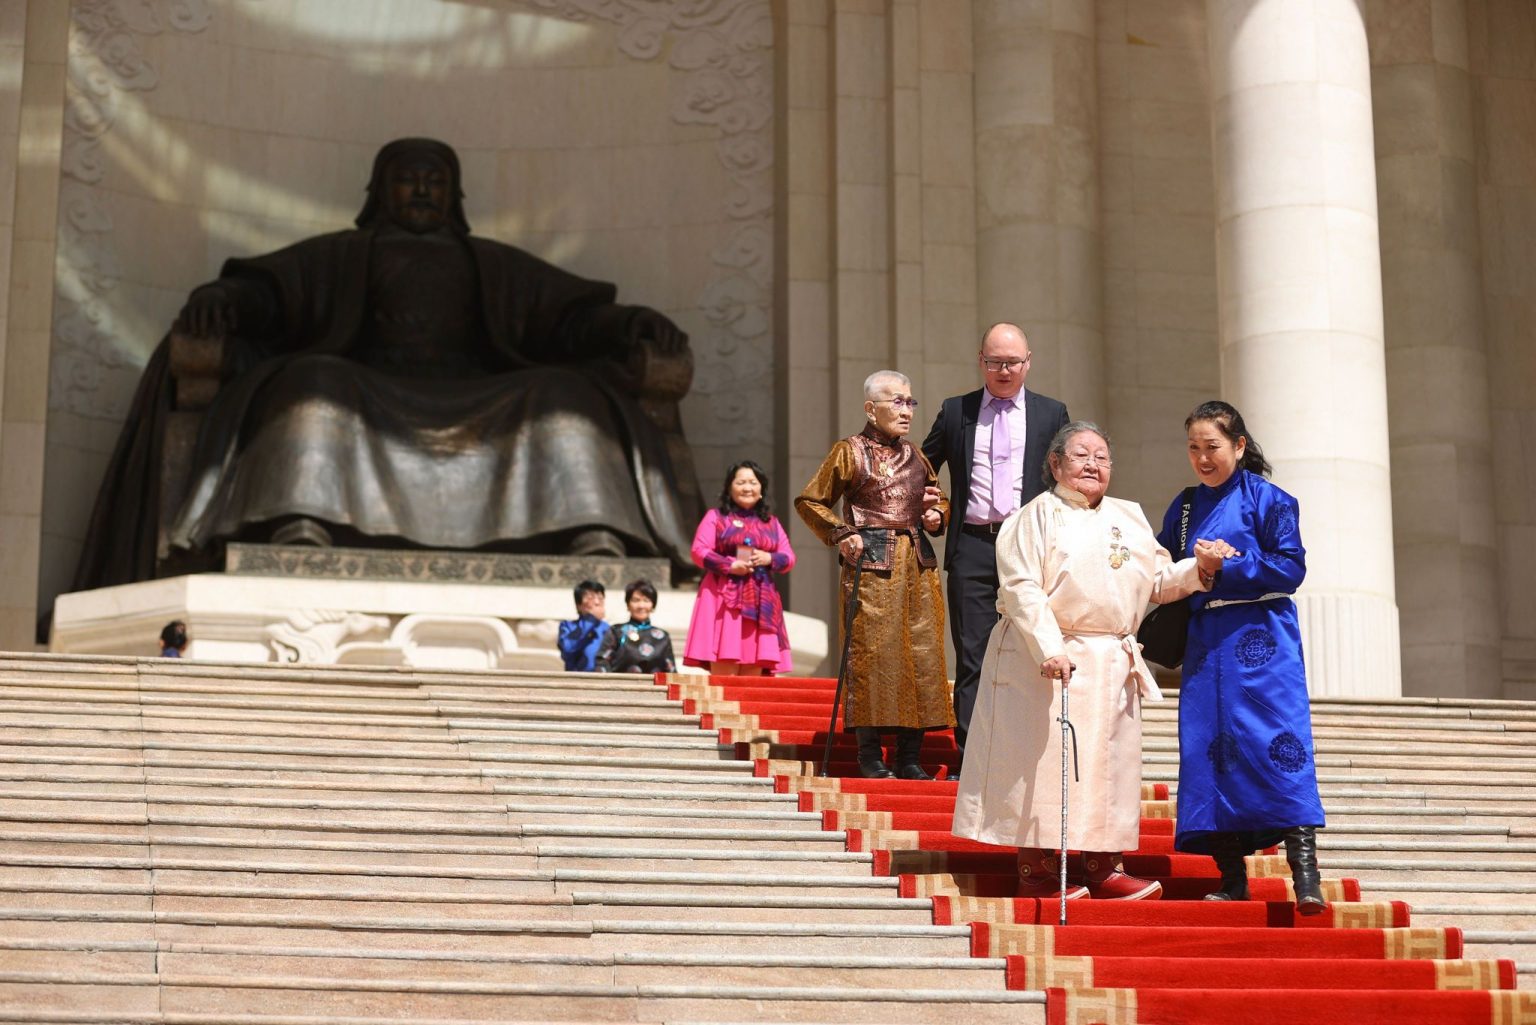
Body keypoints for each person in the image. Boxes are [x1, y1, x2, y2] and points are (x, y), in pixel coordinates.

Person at [73, 137, 701, 592]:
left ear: (455, 196)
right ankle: (301, 524)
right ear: (380, 192)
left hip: (480, 393)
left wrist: (628, 324)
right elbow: (271, 296)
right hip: (366, 390)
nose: (423, 188)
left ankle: (592, 534)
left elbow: (568, 320)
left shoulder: (489, 263)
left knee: (565, 396)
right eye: (409, 177)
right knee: (313, 386)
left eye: (435, 179)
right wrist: (220, 299)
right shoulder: (344, 254)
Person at [952, 422, 1230, 900]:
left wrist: (1200, 568)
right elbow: (1021, 589)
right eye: (1081, 455)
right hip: (1046, 656)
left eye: (1102, 457)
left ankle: (1103, 866)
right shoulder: (1035, 515)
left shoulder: (1129, 516)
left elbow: (1158, 580)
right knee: (1043, 764)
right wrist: (1049, 648)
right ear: (1056, 464)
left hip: (1112, 658)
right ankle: (1035, 870)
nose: (1093, 465)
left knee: (1109, 767)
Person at [1157, 400, 1328, 913]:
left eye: (1212, 447)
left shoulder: (1271, 500)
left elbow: (1290, 569)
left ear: (1239, 446)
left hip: (1263, 642)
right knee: (1210, 754)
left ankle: (1306, 877)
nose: (1202, 458)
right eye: (1193, 448)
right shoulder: (1184, 507)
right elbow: (1162, 565)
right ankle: (1232, 877)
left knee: (1281, 745)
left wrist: (1229, 565)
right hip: (1207, 644)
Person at [795, 370, 954, 780]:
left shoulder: (917, 455)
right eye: (897, 402)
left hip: (917, 563)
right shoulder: (849, 451)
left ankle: (909, 757)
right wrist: (841, 532)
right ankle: (870, 756)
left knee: (921, 654)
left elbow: (937, 499)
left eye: (910, 402)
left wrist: (937, 515)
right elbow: (810, 501)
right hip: (872, 563)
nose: (906, 411)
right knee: (873, 656)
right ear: (871, 408)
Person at [922, 323, 1069, 755]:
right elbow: (919, 468)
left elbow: (1069, 474)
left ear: (1028, 361)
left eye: (1012, 363)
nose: (1003, 371)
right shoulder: (956, 410)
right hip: (972, 544)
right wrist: (930, 505)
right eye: (994, 362)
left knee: (1033, 646)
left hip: (1030, 547)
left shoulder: (1051, 413)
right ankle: (973, 753)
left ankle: (1025, 748)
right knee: (973, 654)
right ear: (980, 361)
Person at [684, 460, 796, 676]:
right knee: (725, 664)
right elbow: (699, 551)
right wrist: (729, 565)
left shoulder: (771, 523)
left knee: (755, 670)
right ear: (729, 488)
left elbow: (789, 557)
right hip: (722, 597)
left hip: (761, 598)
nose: (747, 488)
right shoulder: (716, 517)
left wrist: (768, 558)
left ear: (761, 489)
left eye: (753, 482)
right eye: (741, 482)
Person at [595, 579, 676, 674]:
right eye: (636, 600)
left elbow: (671, 670)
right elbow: (602, 661)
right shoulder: (616, 632)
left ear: (653, 605)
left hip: (654, 688)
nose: (641, 605)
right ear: (628, 604)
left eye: (646, 600)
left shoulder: (663, 636)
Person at [558, 580, 610, 672]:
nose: (597, 602)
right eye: (591, 598)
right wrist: (591, 619)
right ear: (579, 605)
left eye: (600, 598)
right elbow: (568, 649)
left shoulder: (608, 629)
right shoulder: (568, 626)